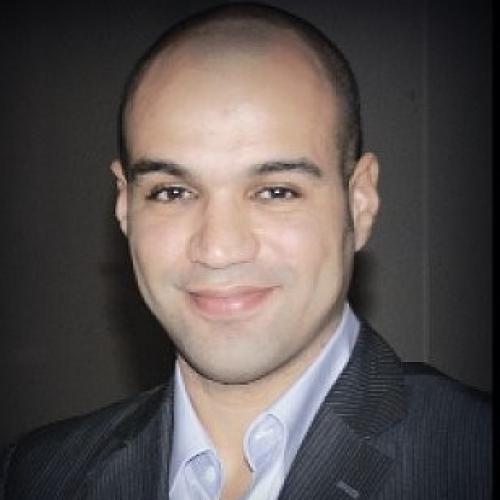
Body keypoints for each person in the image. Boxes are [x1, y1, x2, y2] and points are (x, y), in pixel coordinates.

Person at [0, 3, 490, 499]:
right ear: (125, 206)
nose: (218, 248)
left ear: (360, 203)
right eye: (172, 192)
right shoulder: (35, 476)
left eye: (276, 191)